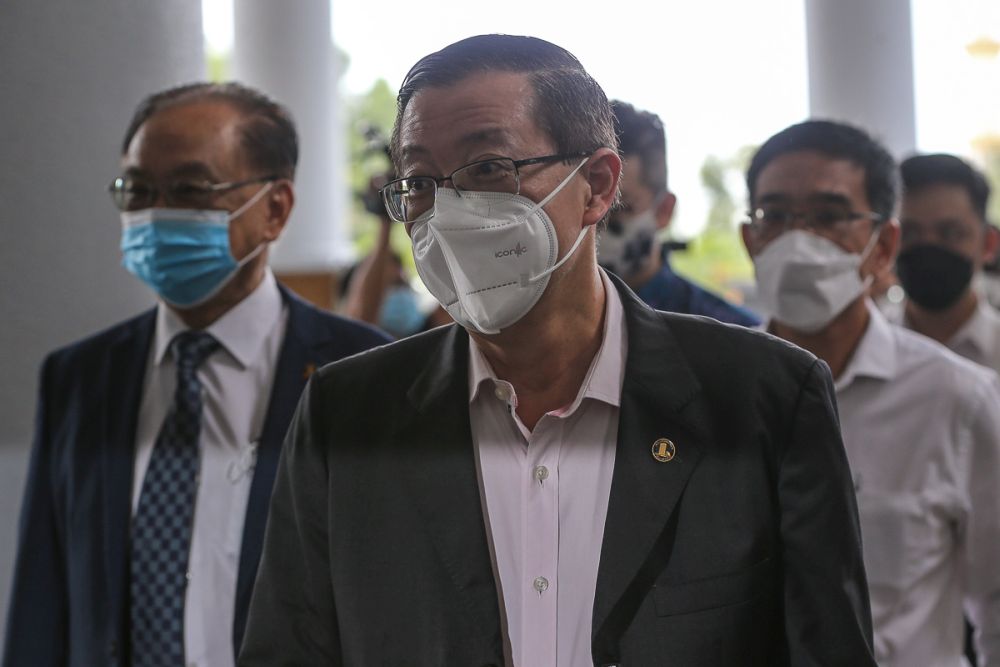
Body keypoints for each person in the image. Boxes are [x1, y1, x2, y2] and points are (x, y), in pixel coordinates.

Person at [241, 35, 875, 667]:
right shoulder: (347, 415)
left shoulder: (762, 398)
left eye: (488, 168)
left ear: (597, 185)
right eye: (420, 182)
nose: (448, 212)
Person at [2, 82, 390, 667]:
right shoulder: (79, 378)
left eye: (188, 189)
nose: (155, 213)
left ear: (275, 209)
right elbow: (42, 600)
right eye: (137, 190)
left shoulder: (364, 375)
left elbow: (392, 600)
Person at [741, 119, 1000, 665]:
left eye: (830, 217)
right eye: (776, 216)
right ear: (750, 238)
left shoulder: (956, 398)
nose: (798, 240)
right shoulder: (711, 392)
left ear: (884, 246)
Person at [600, 100, 759, 325]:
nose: (595, 221)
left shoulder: (729, 338)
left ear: (664, 210)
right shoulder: (542, 323)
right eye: (584, 204)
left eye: (618, 207)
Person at [896, 153, 1000, 371]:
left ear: (988, 244)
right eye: (910, 233)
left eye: (951, 233)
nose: (928, 249)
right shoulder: (858, 349)